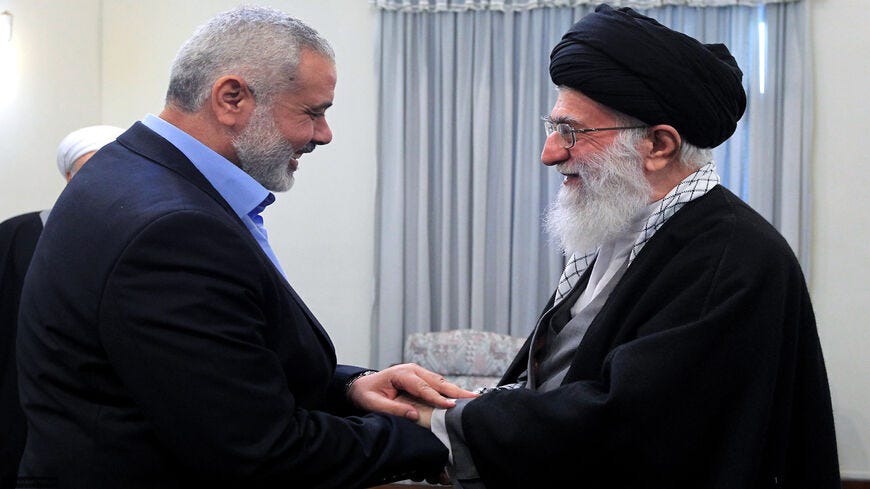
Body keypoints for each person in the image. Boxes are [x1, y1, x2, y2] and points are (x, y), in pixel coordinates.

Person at [16, 7, 471, 489]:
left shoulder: (125, 168)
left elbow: (208, 371)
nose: (324, 134)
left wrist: (349, 388)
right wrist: (436, 436)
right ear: (231, 98)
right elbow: (259, 449)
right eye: (312, 113)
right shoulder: (172, 231)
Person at [409, 5, 840, 489]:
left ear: (658, 145)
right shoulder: (624, 228)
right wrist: (465, 405)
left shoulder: (731, 258)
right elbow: (558, 379)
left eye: (571, 131)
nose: (549, 152)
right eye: (552, 127)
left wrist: (441, 421)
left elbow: (628, 428)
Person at [0, 124, 122, 489]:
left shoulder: (149, 237)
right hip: (19, 399)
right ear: (69, 178)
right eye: (89, 172)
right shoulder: (17, 235)